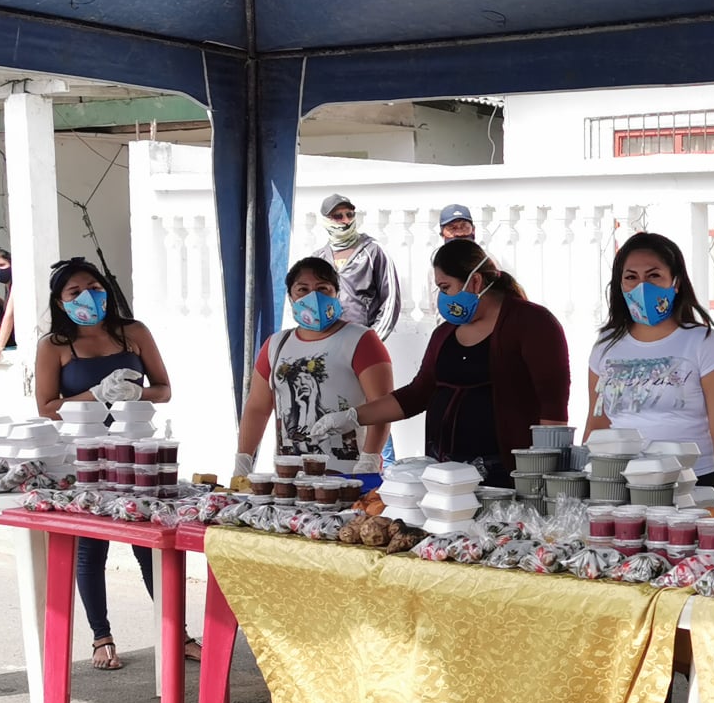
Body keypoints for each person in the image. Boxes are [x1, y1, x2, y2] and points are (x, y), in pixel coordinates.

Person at [317, 239, 568, 486]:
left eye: (445, 287)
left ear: (475, 282)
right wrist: (352, 416)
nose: (442, 297)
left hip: (509, 476)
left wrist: (542, 480)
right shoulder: (445, 333)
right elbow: (417, 394)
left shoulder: (532, 322)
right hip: (445, 476)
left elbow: (553, 405)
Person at [34, 258, 180, 673]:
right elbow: (47, 406)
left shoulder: (134, 333)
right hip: (84, 458)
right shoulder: (54, 345)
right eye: (75, 292)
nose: (87, 297)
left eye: (94, 288)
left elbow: (164, 389)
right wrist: (96, 394)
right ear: (60, 302)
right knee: (90, 548)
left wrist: (136, 393)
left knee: (149, 545)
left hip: (138, 454)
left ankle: (176, 634)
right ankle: (101, 636)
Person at [584, 231, 714, 501]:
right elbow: (597, 422)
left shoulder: (704, 343)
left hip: (692, 485)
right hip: (620, 485)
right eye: (631, 277)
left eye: (654, 275)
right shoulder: (605, 345)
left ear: (675, 282)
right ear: (620, 285)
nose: (642, 286)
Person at [234, 257, 395, 480]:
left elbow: (383, 407)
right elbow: (257, 408)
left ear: (336, 293)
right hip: (289, 477)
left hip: (347, 477)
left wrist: (369, 459)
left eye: (323, 289)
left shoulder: (361, 340)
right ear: (290, 297)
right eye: (303, 289)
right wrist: (243, 460)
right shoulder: (275, 345)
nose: (313, 297)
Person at [315, 194, 401, 340]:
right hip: (328, 341)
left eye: (349, 214)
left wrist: (372, 340)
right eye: (338, 216)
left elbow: (391, 300)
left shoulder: (373, 250)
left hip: (362, 338)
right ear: (326, 220)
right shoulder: (319, 258)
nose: (346, 221)